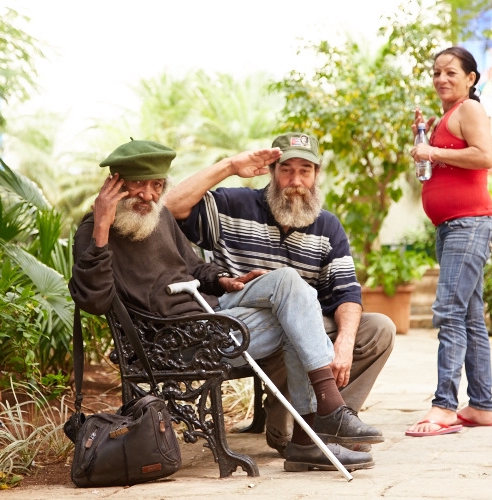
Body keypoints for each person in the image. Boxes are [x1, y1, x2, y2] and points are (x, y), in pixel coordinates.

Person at [68, 139, 384, 471]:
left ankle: (322, 422)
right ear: (113, 185)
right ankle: (313, 434)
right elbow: (95, 300)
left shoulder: (157, 218)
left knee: (288, 281)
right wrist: (102, 227)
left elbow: (191, 267)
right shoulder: (93, 230)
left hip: (209, 314)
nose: (148, 195)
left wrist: (222, 280)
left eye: (157, 185)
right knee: (297, 318)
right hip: (174, 339)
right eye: (138, 185)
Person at [164, 132, 395, 454]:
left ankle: (330, 421)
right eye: (286, 169)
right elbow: (168, 207)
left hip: (300, 336)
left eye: (305, 170)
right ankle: (311, 421)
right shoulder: (233, 204)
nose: (295, 180)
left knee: (378, 328)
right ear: (272, 172)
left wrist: (343, 343)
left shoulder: (327, 227)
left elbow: (346, 293)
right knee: (287, 283)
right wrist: (230, 165)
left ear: (317, 175)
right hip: (242, 323)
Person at [406, 46, 492, 437]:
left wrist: (429, 148)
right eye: (436, 73)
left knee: (447, 311)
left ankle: (444, 406)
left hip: (470, 224)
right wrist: (424, 139)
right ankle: (480, 406)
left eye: (450, 72)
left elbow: (485, 156)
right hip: (452, 226)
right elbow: (440, 168)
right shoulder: (448, 116)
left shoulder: (470, 110)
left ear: (470, 78)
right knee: (468, 318)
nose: (441, 79)